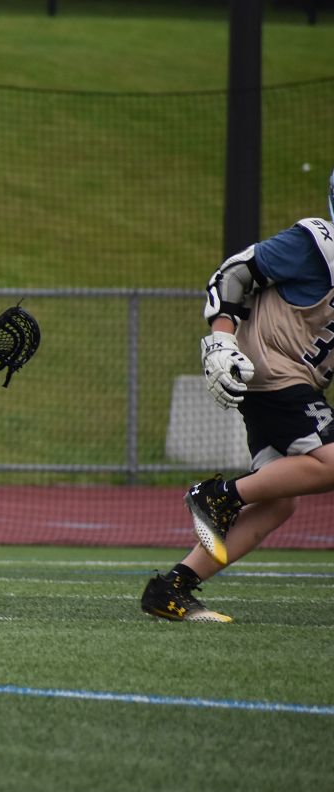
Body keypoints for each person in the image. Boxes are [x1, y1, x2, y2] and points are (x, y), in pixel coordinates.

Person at [141, 168, 334, 623]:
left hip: (294, 381)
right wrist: (221, 339)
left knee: (278, 501)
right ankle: (220, 495)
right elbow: (235, 272)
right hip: (272, 370)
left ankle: (172, 587)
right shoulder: (320, 244)